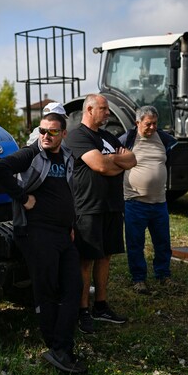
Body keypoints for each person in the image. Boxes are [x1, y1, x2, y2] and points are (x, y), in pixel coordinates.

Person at [0, 111, 86, 374]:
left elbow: (68, 193)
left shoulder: (67, 157)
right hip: (36, 232)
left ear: (63, 134)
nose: (45, 136)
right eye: (42, 130)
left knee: (73, 286)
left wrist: (70, 225)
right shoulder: (31, 153)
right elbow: (0, 168)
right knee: (47, 290)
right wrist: (22, 197)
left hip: (62, 233)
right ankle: (58, 348)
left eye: (52, 132)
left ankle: (62, 346)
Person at [65, 94, 136, 334]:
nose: (107, 113)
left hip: (112, 206)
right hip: (88, 207)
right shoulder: (77, 135)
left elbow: (133, 159)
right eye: (103, 109)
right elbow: (101, 166)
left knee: (105, 256)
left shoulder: (107, 137)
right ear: (89, 109)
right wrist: (116, 160)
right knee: (86, 259)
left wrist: (111, 159)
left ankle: (101, 306)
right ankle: (82, 309)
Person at [120, 106, 178, 294]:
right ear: (137, 123)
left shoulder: (163, 139)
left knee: (162, 242)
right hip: (135, 203)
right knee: (135, 243)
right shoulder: (127, 139)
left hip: (159, 202)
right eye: (148, 124)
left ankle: (163, 274)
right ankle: (139, 279)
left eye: (155, 123)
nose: (152, 127)